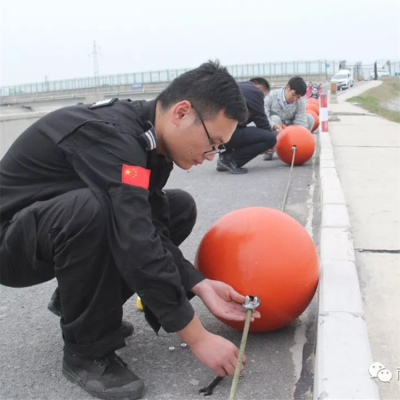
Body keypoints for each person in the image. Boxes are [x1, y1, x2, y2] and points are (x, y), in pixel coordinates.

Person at [0, 61, 261, 400]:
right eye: (213, 142)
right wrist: (197, 336)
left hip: (46, 228)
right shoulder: (114, 138)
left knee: (177, 208)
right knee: (96, 212)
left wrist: (198, 282)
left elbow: (150, 225)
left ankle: (75, 303)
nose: (211, 156)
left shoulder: (149, 145)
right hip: (10, 243)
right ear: (181, 113)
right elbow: (136, 240)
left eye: (220, 148)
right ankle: (86, 352)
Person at [216, 77, 277, 174]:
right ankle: (230, 160)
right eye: (263, 96)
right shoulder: (255, 92)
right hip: (226, 134)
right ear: (261, 88)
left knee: (245, 130)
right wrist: (269, 145)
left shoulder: (237, 87)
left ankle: (224, 157)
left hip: (213, 136)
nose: (262, 99)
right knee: (269, 138)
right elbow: (262, 122)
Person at [263, 76, 315, 160]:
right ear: (287, 88)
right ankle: (271, 148)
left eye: (298, 97)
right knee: (274, 119)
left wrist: (302, 136)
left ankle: (296, 147)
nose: (294, 99)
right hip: (277, 126)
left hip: (291, 126)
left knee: (310, 118)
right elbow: (263, 116)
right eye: (293, 95)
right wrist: (274, 125)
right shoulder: (272, 96)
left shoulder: (300, 101)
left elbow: (301, 119)